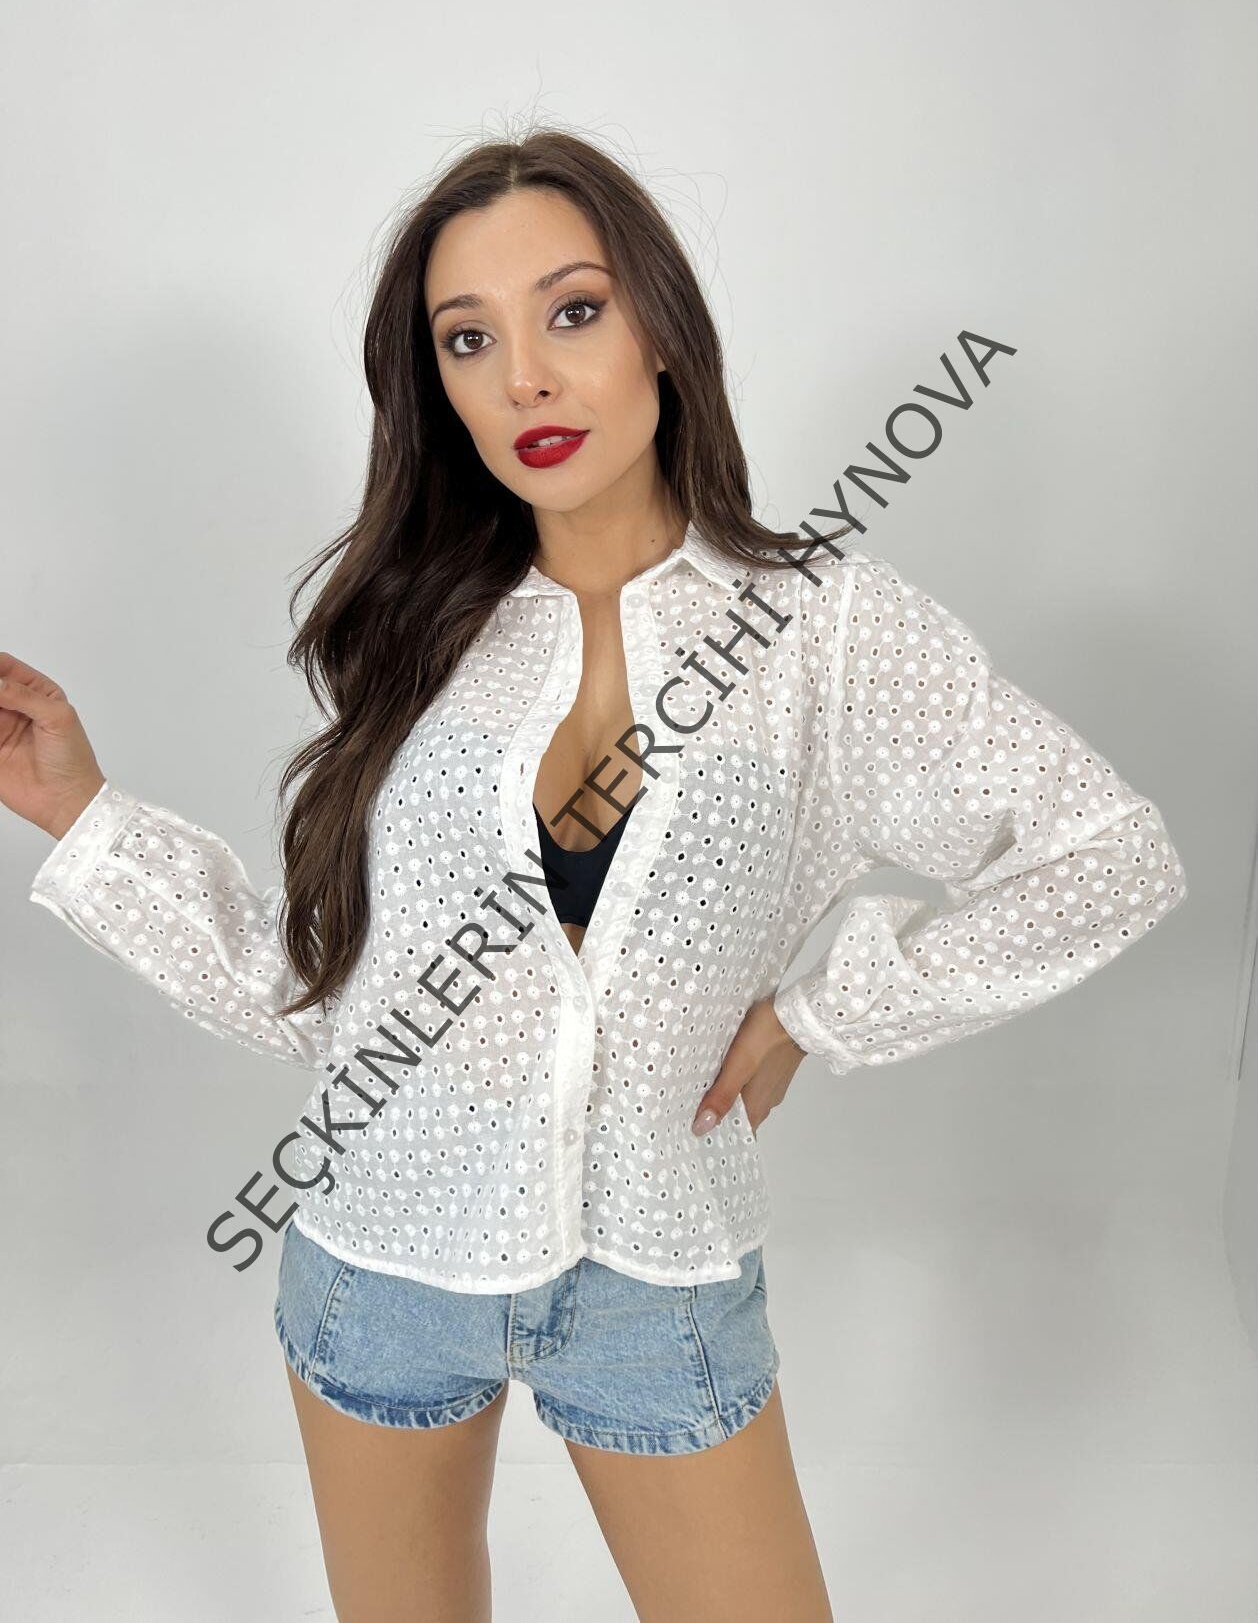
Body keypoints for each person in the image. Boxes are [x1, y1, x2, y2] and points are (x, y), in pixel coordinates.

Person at [0, 129, 1187, 1623]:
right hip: (380, 1262)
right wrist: (82, 813)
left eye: (572, 312)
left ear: (661, 332)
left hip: (658, 1279)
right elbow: (325, 998)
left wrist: (824, 1011)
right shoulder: (421, 631)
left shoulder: (823, 629)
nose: (525, 380)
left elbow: (1108, 856)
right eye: (468, 340)